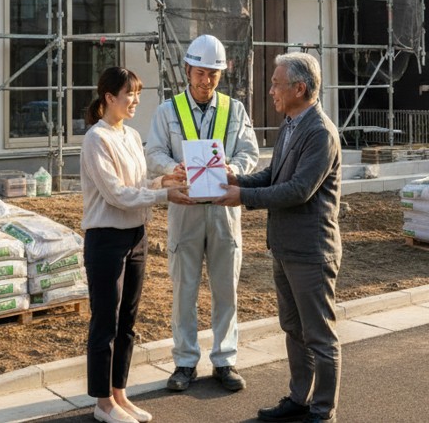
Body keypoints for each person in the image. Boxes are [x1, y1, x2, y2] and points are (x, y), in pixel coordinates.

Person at [214, 52, 342, 423]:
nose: (270, 90)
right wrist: (237, 179)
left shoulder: (319, 132)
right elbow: (274, 174)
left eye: (276, 83)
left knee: (319, 336)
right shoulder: (292, 123)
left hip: (311, 250)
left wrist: (243, 197)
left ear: (299, 88)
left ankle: (322, 411)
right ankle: (300, 398)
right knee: (294, 328)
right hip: (286, 247)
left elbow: (298, 189)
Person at [145, 34, 259, 393]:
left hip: (224, 209)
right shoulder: (167, 111)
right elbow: (153, 153)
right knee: (184, 288)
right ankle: (185, 361)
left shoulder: (234, 110)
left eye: (213, 73)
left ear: (220, 74)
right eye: (200, 72)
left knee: (227, 288)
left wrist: (234, 169)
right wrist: (172, 168)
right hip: (187, 209)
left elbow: (250, 151)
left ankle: (225, 360)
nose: (206, 79)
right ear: (187, 71)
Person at [80, 67, 189, 423]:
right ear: (109, 98)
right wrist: (163, 193)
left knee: (127, 320)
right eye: (129, 94)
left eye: (138, 93)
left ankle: (119, 394)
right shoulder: (96, 139)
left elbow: (136, 181)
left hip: (136, 234)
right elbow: (116, 194)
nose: (136, 101)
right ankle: (101, 403)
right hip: (106, 238)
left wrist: (164, 178)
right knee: (105, 322)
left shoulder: (129, 135)